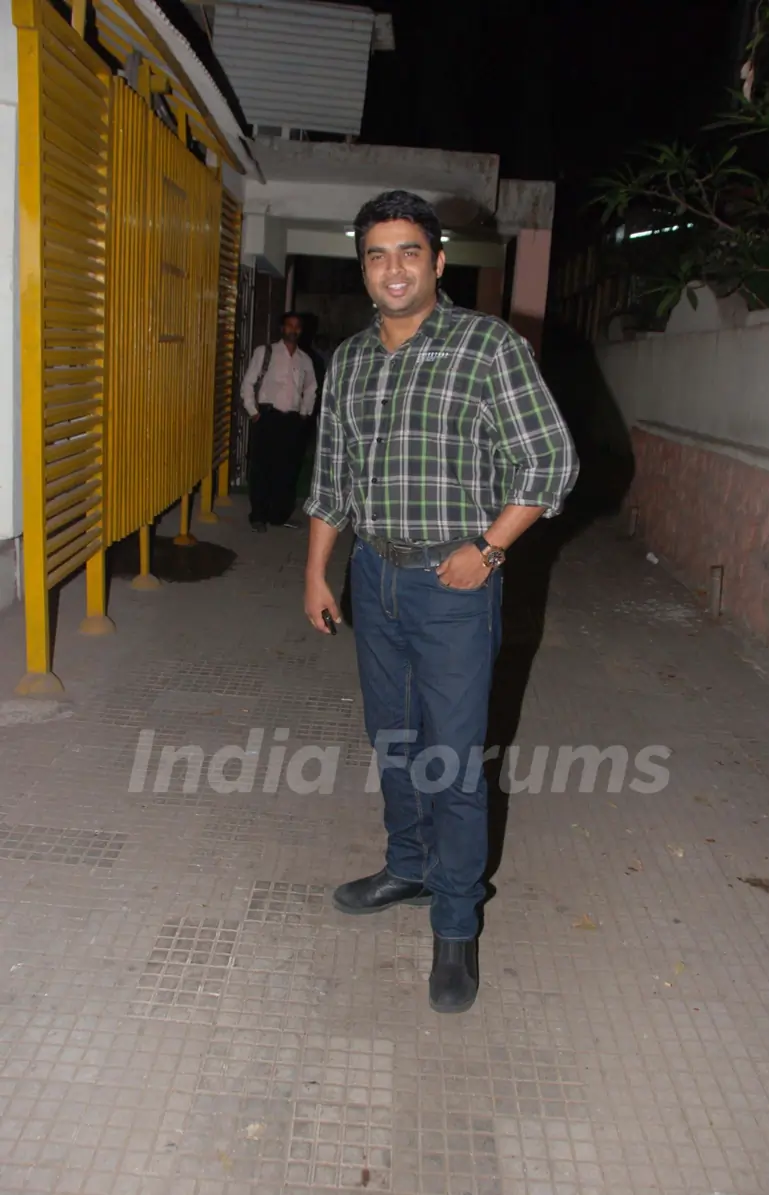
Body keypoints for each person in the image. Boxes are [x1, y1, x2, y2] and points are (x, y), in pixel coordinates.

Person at [303, 190, 579, 1014]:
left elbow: (551, 463)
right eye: (377, 254)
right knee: (393, 738)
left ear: (437, 261)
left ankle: (456, 920)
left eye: (408, 252)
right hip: (374, 578)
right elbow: (330, 480)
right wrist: (318, 572)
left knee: (453, 759)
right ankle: (409, 866)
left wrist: (489, 548)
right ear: (364, 267)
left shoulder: (487, 347)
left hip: (454, 588)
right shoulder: (349, 360)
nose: (393, 268)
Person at [241, 312, 317, 531]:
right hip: (268, 417)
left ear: (301, 331)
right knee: (262, 467)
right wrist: (253, 411)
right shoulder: (265, 352)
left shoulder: (305, 359)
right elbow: (248, 383)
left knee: (288, 469)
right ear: (282, 328)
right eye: (289, 326)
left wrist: (305, 411)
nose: (293, 330)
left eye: (297, 327)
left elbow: (311, 386)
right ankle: (258, 516)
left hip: (292, 421)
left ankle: (279, 515)